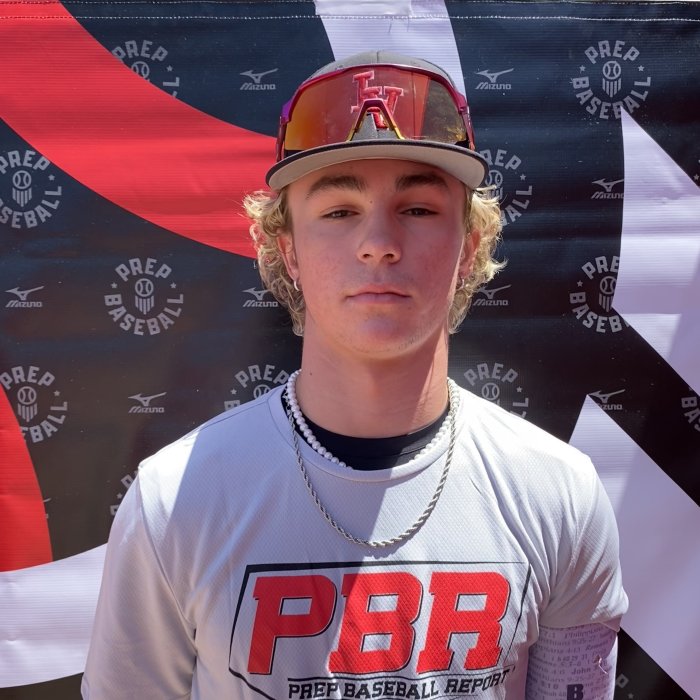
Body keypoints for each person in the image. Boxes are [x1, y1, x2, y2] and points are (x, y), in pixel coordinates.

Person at [82, 50, 627, 699]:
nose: (379, 243)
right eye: (339, 211)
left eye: (418, 208)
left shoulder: (560, 494)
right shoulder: (175, 501)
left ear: (470, 245)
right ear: (288, 249)